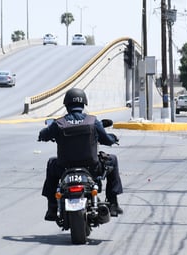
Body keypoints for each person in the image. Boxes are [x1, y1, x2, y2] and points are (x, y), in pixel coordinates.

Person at [38, 88, 123, 221]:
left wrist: (44, 135)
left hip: (64, 169)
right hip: (92, 168)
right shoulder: (93, 121)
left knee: (51, 163)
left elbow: (43, 134)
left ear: (66, 105)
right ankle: (112, 203)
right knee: (112, 159)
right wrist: (113, 139)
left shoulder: (59, 123)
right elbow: (106, 139)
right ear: (83, 104)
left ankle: (52, 206)